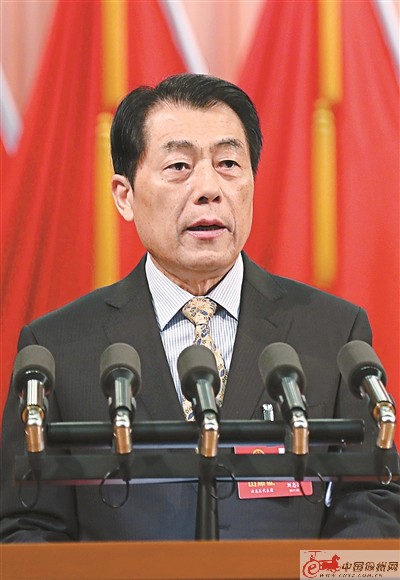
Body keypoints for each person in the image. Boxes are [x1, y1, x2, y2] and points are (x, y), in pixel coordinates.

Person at [0, 73, 399, 542]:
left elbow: (373, 498)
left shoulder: (333, 333)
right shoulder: (58, 348)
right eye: (179, 167)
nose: (209, 188)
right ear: (125, 197)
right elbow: (28, 523)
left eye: (228, 163)